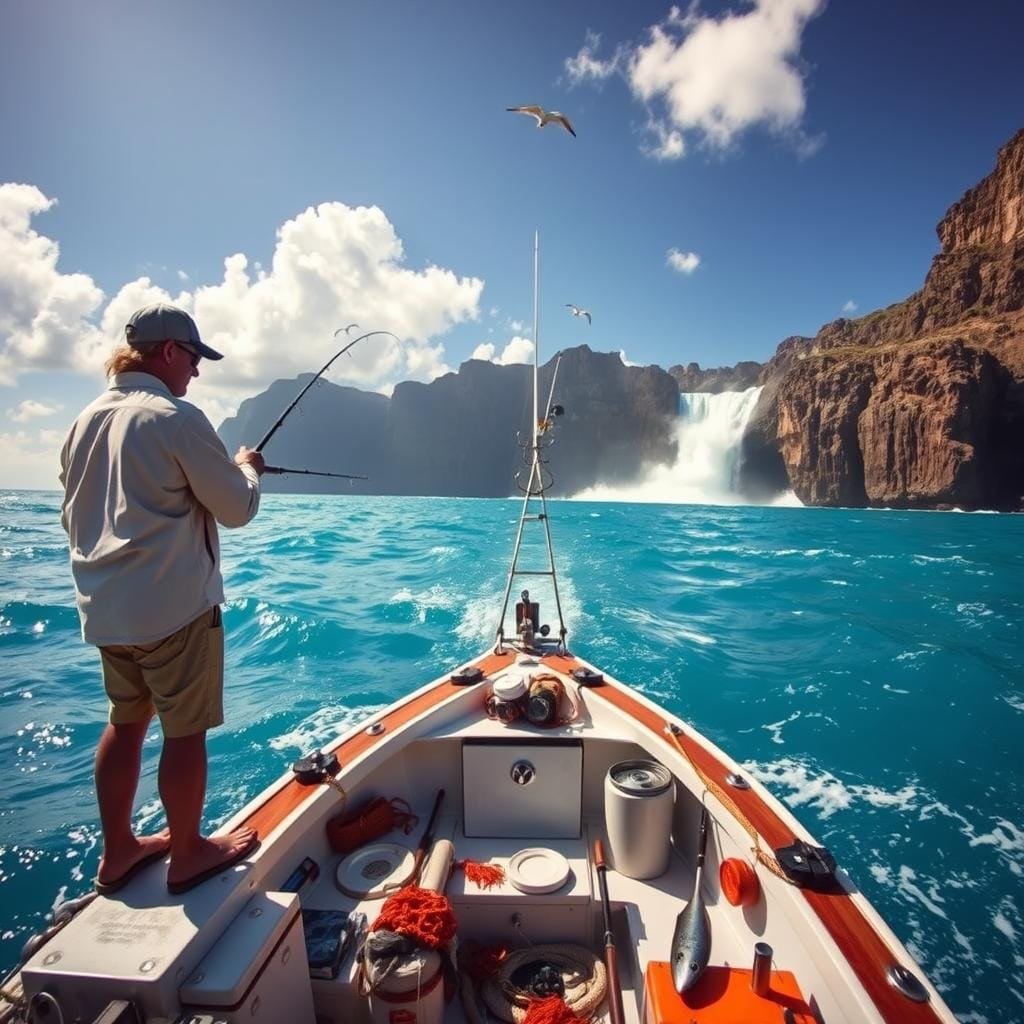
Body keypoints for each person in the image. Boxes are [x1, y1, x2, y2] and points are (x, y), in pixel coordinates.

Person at [60, 302, 265, 895]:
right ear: (171, 351)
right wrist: (246, 468)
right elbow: (236, 508)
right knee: (184, 732)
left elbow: (71, 513)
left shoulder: (83, 422)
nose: (197, 372)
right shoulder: (176, 418)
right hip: (173, 610)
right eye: (194, 358)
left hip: (105, 611)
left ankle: (119, 850)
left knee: (125, 725)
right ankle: (189, 853)